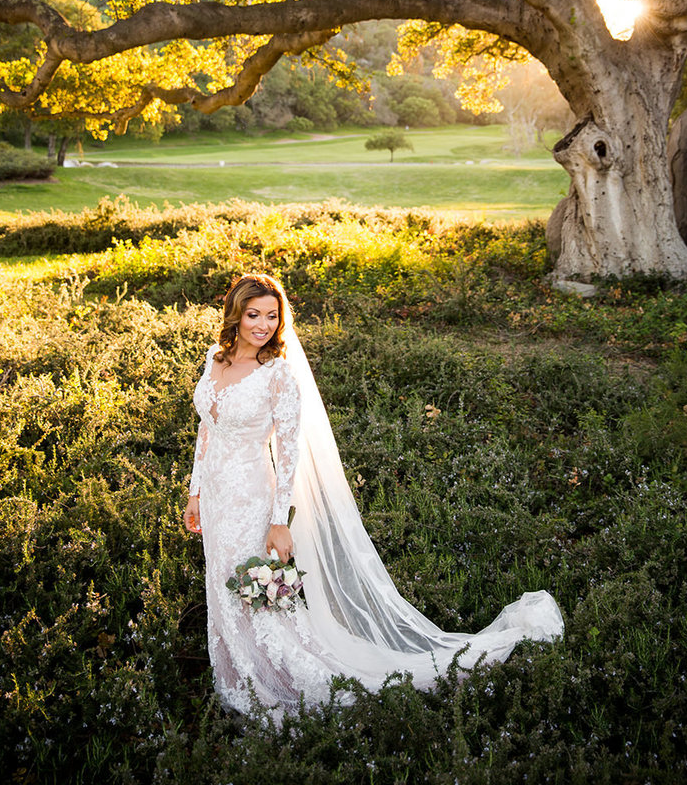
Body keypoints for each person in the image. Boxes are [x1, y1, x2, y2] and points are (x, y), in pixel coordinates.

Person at [184, 272, 563, 721]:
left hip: (252, 497)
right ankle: (234, 673)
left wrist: (279, 518)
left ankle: (276, 677)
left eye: (272, 316)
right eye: (253, 315)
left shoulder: (278, 374)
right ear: (236, 314)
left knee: (256, 595)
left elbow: (287, 453)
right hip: (216, 498)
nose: (263, 325)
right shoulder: (216, 358)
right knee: (223, 589)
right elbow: (207, 429)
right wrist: (195, 491)